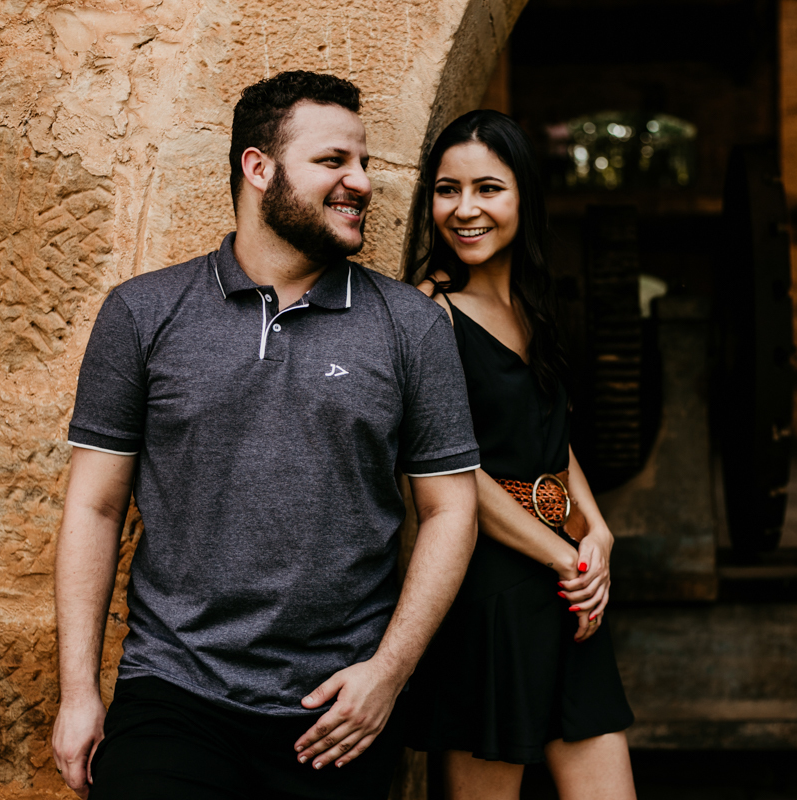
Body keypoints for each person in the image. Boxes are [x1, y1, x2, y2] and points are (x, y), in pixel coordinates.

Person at [50, 71, 481, 800]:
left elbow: (451, 510)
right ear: (258, 168)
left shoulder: (411, 327)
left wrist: (388, 673)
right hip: (174, 691)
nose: (361, 182)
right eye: (333, 160)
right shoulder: (143, 313)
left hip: (337, 711)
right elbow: (94, 507)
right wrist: (78, 693)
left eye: (364, 162)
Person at [405, 110, 636, 800]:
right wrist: (562, 556)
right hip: (489, 588)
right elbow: (449, 469)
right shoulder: (430, 311)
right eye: (447, 190)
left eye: (488, 189)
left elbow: (550, 436)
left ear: (523, 197)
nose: (465, 209)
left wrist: (597, 531)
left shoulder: (535, 305)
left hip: (566, 585)